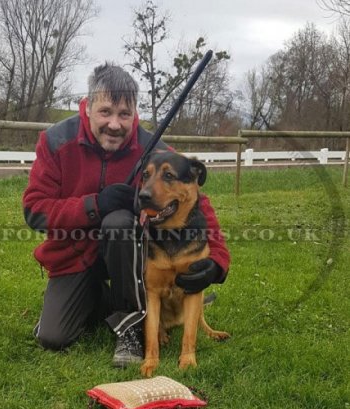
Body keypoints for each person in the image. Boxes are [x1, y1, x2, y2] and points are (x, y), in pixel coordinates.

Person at [22, 62, 230, 367]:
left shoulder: (152, 148)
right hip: (73, 256)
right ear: (88, 107)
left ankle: (130, 327)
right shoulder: (55, 141)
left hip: (129, 258)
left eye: (124, 114)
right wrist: (93, 205)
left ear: (135, 114)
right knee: (53, 338)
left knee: (119, 222)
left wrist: (217, 262)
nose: (115, 124)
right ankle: (92, 298)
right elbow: (34, 211)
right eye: (106, 111)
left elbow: (197, 201)